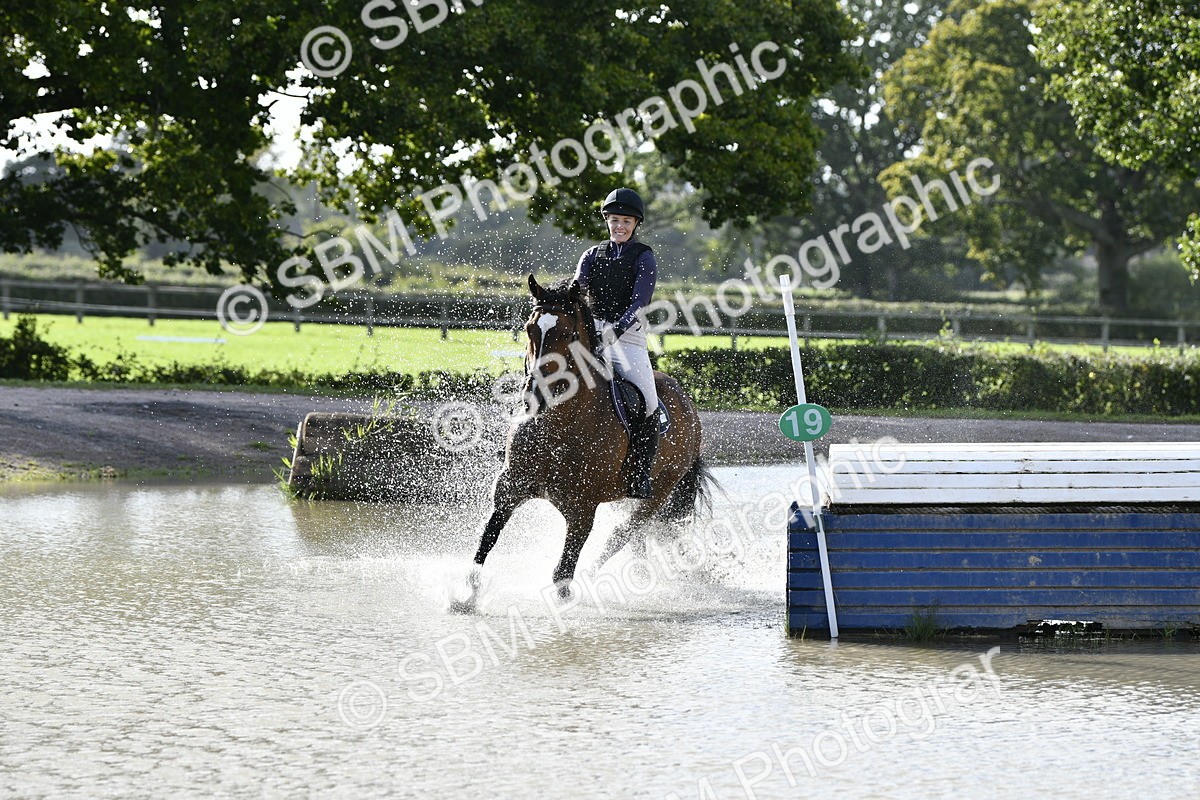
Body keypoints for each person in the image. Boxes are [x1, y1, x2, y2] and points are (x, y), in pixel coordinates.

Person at [572, 187, 660, 499]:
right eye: (614, 220)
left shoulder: (644, 257)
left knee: (648, 404)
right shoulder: (591, 255)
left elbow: (639, 304)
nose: (619, 226)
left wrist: (613, 334)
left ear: (635, 224)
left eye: (625, 221)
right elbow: (577, 292)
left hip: (629, 338)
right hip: (591, 331)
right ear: (607, 221)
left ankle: (639, 475)